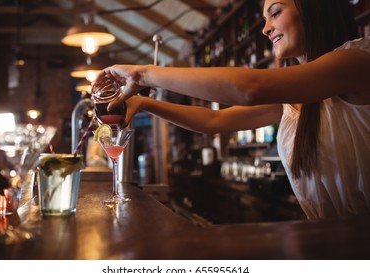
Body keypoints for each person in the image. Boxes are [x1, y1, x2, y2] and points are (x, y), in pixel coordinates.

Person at [92, 0, 370, 220]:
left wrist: (143, 75)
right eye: (264, 19)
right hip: (331, 243)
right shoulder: (296, 96)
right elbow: (215, 119)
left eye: (275, 13)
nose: (265, 28)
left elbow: (249, 88)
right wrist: (144, 103)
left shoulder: (356, 62)